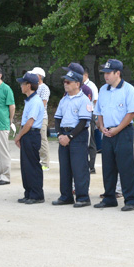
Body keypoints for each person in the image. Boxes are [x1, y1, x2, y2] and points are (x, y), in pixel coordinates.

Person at [94, 59, 134, 211]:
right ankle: (109, 198)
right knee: (108, 166)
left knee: (126, 166)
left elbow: (131, 113)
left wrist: (118, 129)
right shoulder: (102, 90)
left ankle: (131, 200)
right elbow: (99, 111)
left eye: (108, 73)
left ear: (117, 73)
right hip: (107, 132)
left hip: (123, 132)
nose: (105, 76)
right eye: (105, 73)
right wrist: (101, 127)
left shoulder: (128, 89)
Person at [52, 69, 93, 208]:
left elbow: (83, 122)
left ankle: (83, 197)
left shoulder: (83, 100)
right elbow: (57, 119)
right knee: (65, 167)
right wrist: (59, 135)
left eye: (68, 82)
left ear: (77, 84)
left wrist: (69, 136)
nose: (65, 84)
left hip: (77, 135)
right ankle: (66, 196)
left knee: (79, 167)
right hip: (64, 134)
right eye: (64, 81)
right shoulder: (64, 99)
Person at [14, 72, 45, 204]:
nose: (21, 86)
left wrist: (18, 136)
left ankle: (37, 194)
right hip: (27, 134)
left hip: (31, 134)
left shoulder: (35, 101)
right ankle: (29, 192)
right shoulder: (30, 100)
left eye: (23, 83)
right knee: (26, 165)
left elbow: (30, 122)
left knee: (32, 165)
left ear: (29, 85)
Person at [29, 67, 50, 171]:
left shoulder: (44, 88)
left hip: (41, 118)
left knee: (42, 140)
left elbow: (43, 104)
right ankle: (36, 161)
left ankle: (45, 163)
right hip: (33, 118)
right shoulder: (34, 87)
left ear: (40, 76)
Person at [82, 65, 100, 175]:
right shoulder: (82, 85)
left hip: (91, 114)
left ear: (86, 75)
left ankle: (91, 165)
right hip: (84, 114)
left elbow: (95, 101)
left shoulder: (91, 86)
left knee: (91, 140)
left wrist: (96, 116)